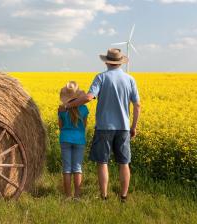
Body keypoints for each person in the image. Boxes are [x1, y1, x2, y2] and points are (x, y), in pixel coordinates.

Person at [60, 48, 141, 202]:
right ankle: (123, 197)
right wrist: (134, 126)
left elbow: (89, 97)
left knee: (102, 162)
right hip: (123, 127)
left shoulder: (101, 78)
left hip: (104, 127)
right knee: (124, 163)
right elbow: (137, 105)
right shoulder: (130, 79)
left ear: (106, 61)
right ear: (120, 62)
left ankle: (104, 197)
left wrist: (68, 106)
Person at [58, 81, 89, 199]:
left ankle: (67, 196)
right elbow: (84, 125)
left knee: (66, 169)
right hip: (79, 139)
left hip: (65, 138)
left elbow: (60, 126)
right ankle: (77, 196)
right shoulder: (84, 109)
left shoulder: (61, 109)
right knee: (77, 168)